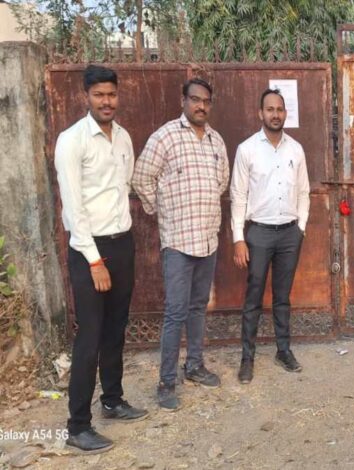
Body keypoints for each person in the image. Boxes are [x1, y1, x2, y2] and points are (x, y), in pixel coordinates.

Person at [55, 64, 148, 453]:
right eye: (99, 95)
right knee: (90, 336)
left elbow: (124, 186)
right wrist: (95, 261)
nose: (106, 101)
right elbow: (73, 207)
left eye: (111, 94)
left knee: (115, 328)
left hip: (122, 243)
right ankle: (77, 426)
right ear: (86, 97)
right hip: (88, 249)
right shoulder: (71, 141)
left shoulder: (123, 137)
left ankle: (112, 400)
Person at [132, 78, 230, 411]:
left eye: (206, 101)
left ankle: (195, 365)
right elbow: (141, 177)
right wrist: (162, 210)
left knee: (198, 306)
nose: (201, 106)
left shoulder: (216, 140)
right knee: (175, 312)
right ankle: (166, 382)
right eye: (195, 99)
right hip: (178, 241)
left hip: (207, 238)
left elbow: (222, 182)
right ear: (183, 100)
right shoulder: (165, 137)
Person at [231, 89, 310, 383]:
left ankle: (283, 351)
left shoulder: (296, 150)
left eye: (279, 109)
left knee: (282, 296)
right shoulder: (247, 149)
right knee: (253, 297)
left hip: (289, 233)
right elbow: (238, 195)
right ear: (260, 113)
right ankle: (247, 358)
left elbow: (304, 191)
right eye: (270, 109)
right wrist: (238, 238)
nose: (275, 114)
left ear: (285, 113)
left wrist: (301, 227)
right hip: (259, 234)